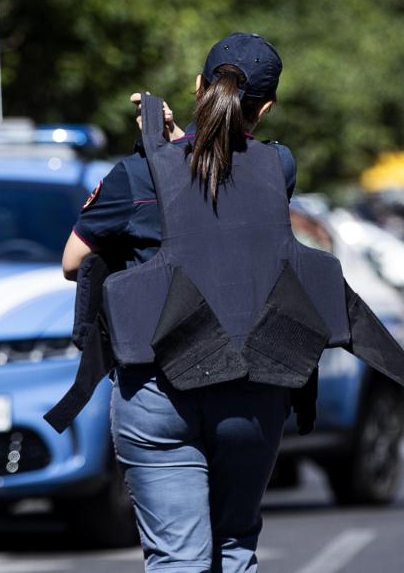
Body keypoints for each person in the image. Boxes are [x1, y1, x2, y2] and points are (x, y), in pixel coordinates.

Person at [45, 32, 404, 573]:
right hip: (254, 391)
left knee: (178, 558)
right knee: (234, 549)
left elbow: (75, 262)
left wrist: (157, 146)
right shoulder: (278, 167)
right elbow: (221, 204)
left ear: (198, 87)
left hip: (159, 390)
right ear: (267, 106)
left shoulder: (139, 174)